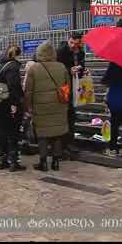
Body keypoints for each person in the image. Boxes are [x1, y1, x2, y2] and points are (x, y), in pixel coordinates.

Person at [25, 41, 70, 171]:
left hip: (40, 106)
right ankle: (56, 162)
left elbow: (29, 91)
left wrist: (27, 106)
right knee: (57, 134)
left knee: (42, 135)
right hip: (58, 105)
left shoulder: (34, 68)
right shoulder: (62, 67)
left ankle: (43, 162)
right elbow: (67, 88)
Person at [0, 45, 25, 171]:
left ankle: (2, 161)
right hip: (8, 104)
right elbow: (14, 86)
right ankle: (13, 162)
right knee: (13, 132)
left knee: (2, 132)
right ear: (16, 55)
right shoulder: (13, 66)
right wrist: (15, 104)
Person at [56, 31, 85, 160]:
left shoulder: (81, 52)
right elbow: (57, 69)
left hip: (75, 85)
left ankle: (70, 142)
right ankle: (62, 145)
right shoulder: (61, 51)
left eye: (76, 44)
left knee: (71, 115)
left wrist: (82, 69)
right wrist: (69, 70)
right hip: (64, 87)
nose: (74, 46)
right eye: (72, 43)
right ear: (68, 40)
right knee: (64, 115)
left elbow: (82, 65)